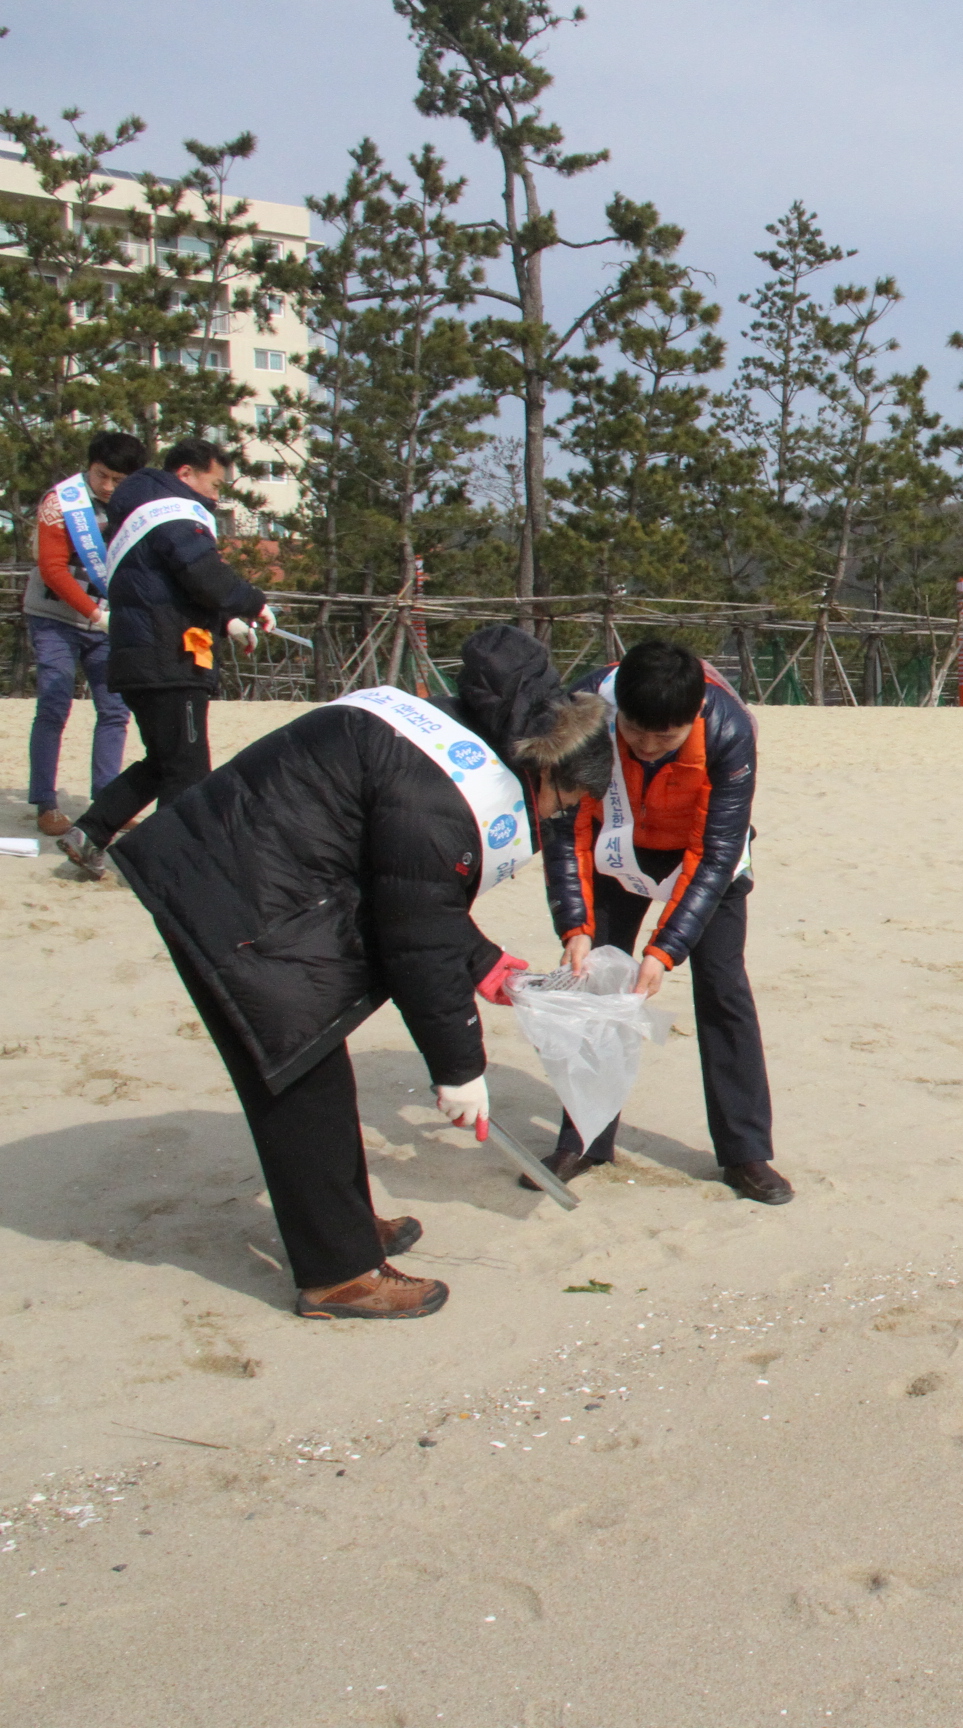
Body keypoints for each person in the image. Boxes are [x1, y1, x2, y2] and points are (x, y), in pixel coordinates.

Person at [113, 626, 613, 1318]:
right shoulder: (441, 797)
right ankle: (337, 1273)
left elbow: (405, 886)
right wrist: (460, 1068)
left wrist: (484, 961)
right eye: (563, 805)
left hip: (242, 865)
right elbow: (414, 937)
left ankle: (344, 1227)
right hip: (229, 893)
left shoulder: (449, 729)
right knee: (295, 1065)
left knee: (317, 1061)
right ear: (546, 768)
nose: (555, 817)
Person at [538, 639, 790, 1203]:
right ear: (617, 710)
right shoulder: (581, 714)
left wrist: (663, 951)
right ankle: (583, 1138)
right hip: (614, 842)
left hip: (699, 855)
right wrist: (574, 925)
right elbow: (565, 829)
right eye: (636, 733)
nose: (649, 748)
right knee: (595, 984)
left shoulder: (730, 732)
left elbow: (716, 851)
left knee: (724, 988)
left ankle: (745, 1152)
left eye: (666, 738)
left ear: (696, 713)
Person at [57, 437, 273, 879]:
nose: (217, 497)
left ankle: (90, 833)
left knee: (163, 760)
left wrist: (226, 621)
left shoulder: (138, 514)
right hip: (170, 657)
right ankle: (172, 867)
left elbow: (165, 588)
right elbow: (203, 574)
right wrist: (252, 602)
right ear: (186, 474)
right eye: (215, 484)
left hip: (142, 653)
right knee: (189, 769)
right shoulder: (174, 512)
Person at [24, 431, 143, 837]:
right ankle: (45, 801)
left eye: (118, 480)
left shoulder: (139, 506)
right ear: (88, 467)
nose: (108, 487)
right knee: (54, 703)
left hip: (108, 619)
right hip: (56, 616)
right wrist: (95, 613)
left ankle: (107, 802)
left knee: (114, 709)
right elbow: (53, 569)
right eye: (101, 476)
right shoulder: (61, 503)